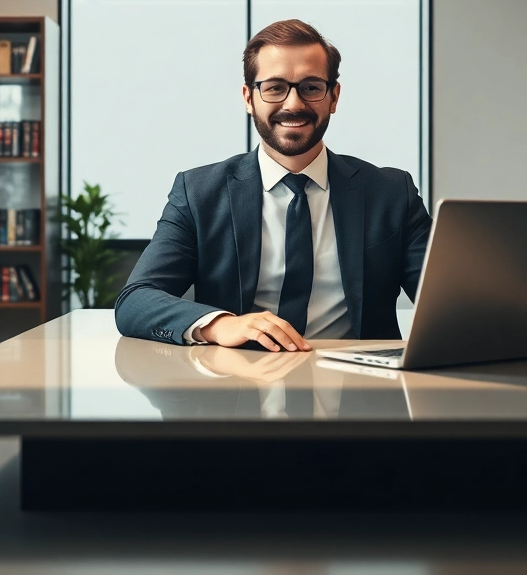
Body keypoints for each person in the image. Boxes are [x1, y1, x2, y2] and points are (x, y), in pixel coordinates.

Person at [114, 19, 432, 351]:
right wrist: (221, 325)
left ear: (333, 97)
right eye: (275, 87)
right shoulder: (198, 193)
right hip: (235, 386)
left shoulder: (392, 193)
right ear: (249, 98)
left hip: (362, 388)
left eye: (311, 87)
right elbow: (136, 300)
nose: (293, 104)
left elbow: (446, 301)